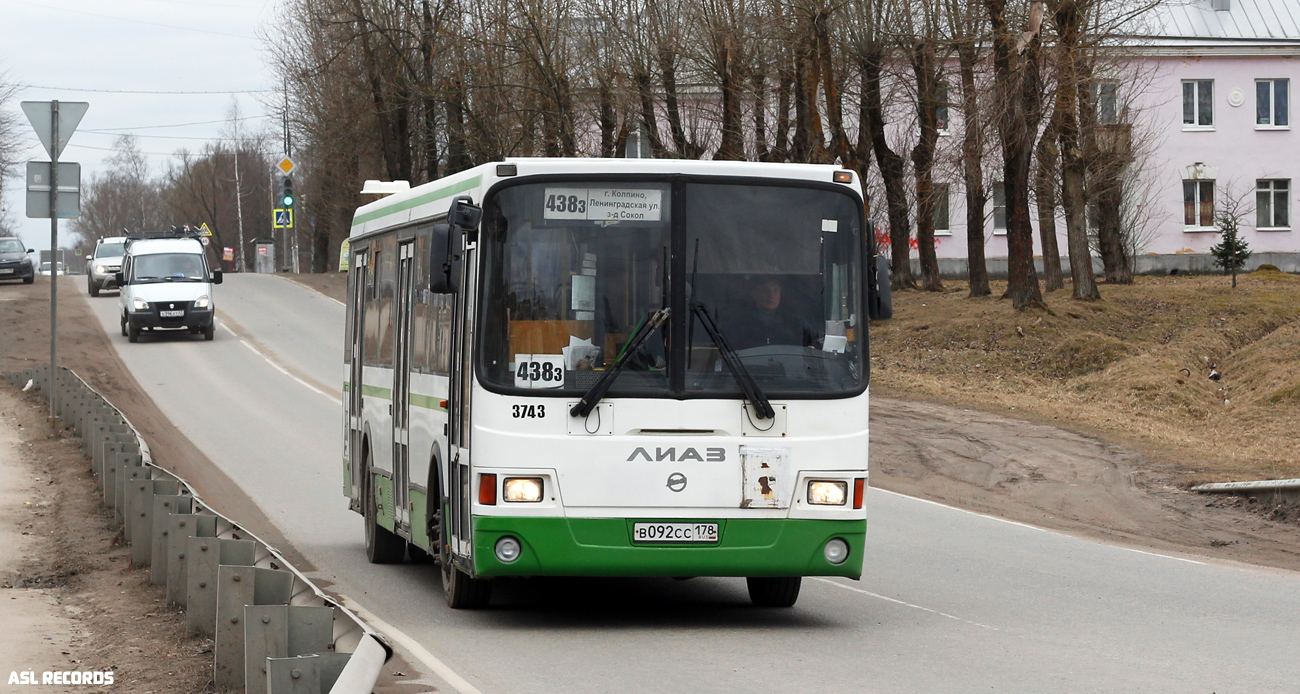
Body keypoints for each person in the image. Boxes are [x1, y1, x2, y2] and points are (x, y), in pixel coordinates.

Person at [722, 276, 815, 350]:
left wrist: (811, 349)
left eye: (775, 290)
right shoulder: (740, 323)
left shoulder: (795, 322)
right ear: (755, 294)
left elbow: (817, 341)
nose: (771, 295)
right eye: (766, 290)